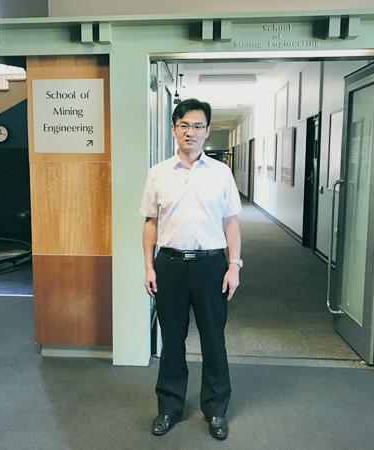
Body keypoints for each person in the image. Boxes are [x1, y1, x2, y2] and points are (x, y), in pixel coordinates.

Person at [140, 98, 243, 441]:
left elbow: (231, 223)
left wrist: (234, 265)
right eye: (184, 125)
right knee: (172, 339)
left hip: (211, 265)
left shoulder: (221, 173)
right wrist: (148, 267)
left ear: (207, 130)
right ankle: (169, 407)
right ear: (174, 129)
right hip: (169, 265)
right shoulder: (158, 173)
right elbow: (150, 223)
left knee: (213, 339)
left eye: (197, 126)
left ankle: (216, 409)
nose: (190, 132)